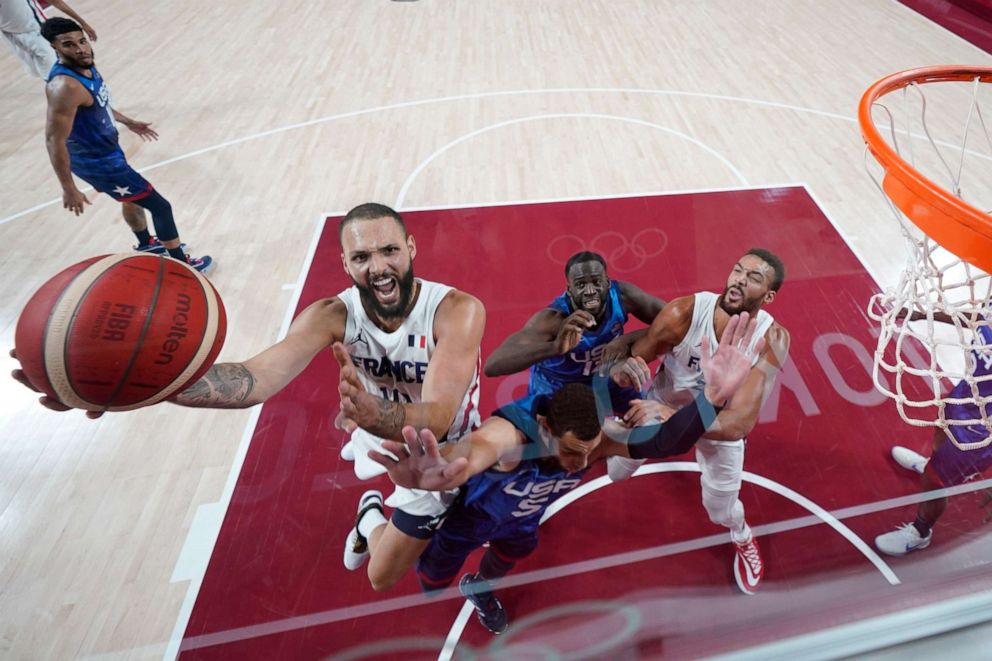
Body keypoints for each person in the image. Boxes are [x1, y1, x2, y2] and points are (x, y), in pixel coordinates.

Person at [10, 202, 486, 594]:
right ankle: (369, 515)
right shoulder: (330, 315)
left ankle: (397, 502)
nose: (379, 267)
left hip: (451, 439)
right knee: (383, 577)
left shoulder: (456, 311)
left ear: (411, 248)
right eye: (361, 257)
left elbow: (439, 416)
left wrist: (370, 411)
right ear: (345, 264)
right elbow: (254, 378)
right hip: (393, 444)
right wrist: (143, 385)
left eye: (389, 251)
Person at [362, 312, 764, 633]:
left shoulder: (594, 443)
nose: (580, 463)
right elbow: (477, 449)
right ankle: (370, 516)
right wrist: (443, 470)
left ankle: (480, 591)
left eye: (588, 453)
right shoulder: (514, 436)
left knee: (512, 553)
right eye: (572, 453)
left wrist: (711, 397)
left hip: (520, 521)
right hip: (469, 520)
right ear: (546, 428)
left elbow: (666, 442)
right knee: (429, 586)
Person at [607, 248, 790, 595]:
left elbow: (739, 423)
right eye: (738, 270)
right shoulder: (684, 312)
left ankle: (743, 537)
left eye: (753, 278)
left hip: (715, 426)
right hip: (660, 406)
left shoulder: (773, 340)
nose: (739, 280)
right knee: (616, 471)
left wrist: (676, 419)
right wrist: (621, 368)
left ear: (768, 296)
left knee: (720, 509)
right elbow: (640, 354)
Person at [41, 17, 210, 271]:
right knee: (161, 206)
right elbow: (54, 140)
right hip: (100, 162)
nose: (81, 49)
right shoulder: (64, 86)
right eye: (69, 45)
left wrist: (128, 121)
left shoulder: (85, 66)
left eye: (82, 41)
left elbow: (99, 104)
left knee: (131, 198)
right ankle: (182, 265)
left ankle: (146, 244)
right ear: (55, 48)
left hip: (106, 152)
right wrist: (69, 188)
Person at [484, 250, 664, 411]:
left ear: (608, 283)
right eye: (580, 285)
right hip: (557, 389)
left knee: (649, 423)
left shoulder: (624, 296)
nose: (590, 291)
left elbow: (678, 322)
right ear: (569, 290)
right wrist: (554, 347)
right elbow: (493, 365)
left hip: (606, 380)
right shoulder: (552, 319)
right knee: (560, 445)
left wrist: (624, 341)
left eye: (596, 282)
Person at [875, 313, 992, 556]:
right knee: (939, 435)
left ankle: (920, 533)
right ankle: (933, 464)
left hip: (981, 430)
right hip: (968, 395)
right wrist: (925, 314)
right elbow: (980, 318)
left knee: (935, 482)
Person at [2, 0, 95, 79]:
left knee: (56, 75)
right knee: (35, 72)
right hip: (9, 33)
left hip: (36, 31)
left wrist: (82, 22)